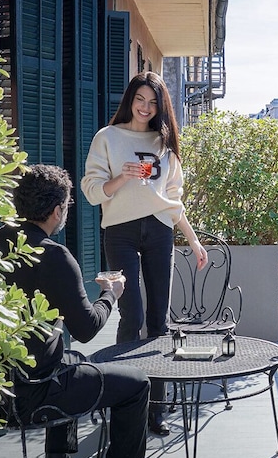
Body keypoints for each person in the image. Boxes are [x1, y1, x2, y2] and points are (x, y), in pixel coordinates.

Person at [0, 164, 172, 458]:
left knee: (72, 360)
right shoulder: (54, 256)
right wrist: (110, 294)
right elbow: (87, 328)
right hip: (35, 394)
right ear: (57, 210)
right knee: (137, 383)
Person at [81, 72, 207, 437]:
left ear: (160, 107)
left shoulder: (164, 143)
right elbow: (91, 191)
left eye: (153, 102)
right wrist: (122, 176)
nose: (145, 107)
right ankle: (123, 402)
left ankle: (156, 409)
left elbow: (173, 201)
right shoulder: (107, 137)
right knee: (131, 313)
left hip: (158, 231)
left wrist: (194, 241)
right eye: (140, 99)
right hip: (119, 231)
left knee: (158, 320)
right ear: (130, 99)